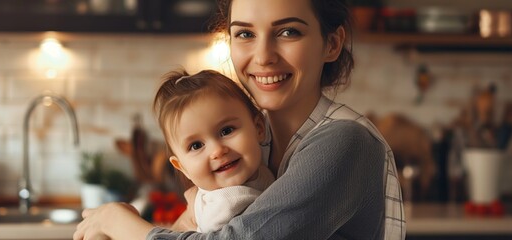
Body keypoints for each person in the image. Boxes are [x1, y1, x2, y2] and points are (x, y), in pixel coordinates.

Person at [73, 0, 406, 239]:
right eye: (245, 34)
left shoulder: (346, 142)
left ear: (331, 43)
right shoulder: (250, 145)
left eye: (289, 32)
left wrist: (117, 221)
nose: (263, 56)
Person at [154, 69, 275, 232]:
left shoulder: (262, 170)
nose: (217, 151)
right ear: (182, 168)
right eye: (196, 146)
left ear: (259, 128)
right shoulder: (226, 207)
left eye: (227, 131)